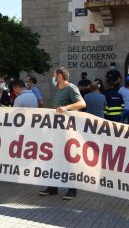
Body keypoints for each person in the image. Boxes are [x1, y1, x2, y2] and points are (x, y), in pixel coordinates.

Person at [39, 67, 86, 200]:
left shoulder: (70, 88)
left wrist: (65, 108)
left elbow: (82, 103)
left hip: (67, 131)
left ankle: (72, 189)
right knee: (54, 158)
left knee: (69, 158)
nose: (53, 78)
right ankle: (53, 187)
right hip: (57, 131)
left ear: (59, 76)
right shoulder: (58, 90)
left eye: (54, 75)